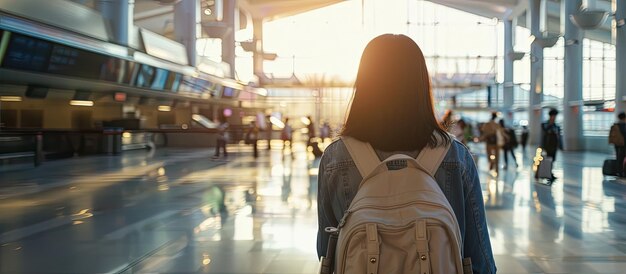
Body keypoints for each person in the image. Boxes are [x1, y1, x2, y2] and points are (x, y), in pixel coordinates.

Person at [316, 34, 496, 273]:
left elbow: (326, 251)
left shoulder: (336, 157)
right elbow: (479, 258)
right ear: (421, 84)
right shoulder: (455, 156)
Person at [541, 108, 562, 179]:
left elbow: (558, 136)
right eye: (553, 116)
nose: (554, 117)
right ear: (550, 116)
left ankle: (550, 173)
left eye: (555, 116)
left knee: (553, 160)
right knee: (548, 159)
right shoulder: (545, 124)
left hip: (554, 145)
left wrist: (560, 145)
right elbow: (543, 134)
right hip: (547, 145)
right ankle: (547, 173)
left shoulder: (556, 126)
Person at [609, 112, 626, 176]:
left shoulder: (615, 125)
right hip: (624, 145)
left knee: (619, 159)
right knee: (622, 158)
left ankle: (619, 172)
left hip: (617, 144)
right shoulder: (624, 125)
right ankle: (622, 172)